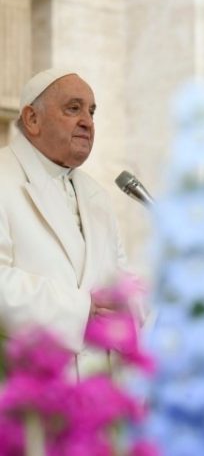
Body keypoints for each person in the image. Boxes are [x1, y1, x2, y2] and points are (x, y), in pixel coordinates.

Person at [0, 68, 132, 378]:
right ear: (32, 119)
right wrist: (81, 309)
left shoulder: (97, 195)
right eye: (73, 109)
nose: (87, 121)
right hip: (27, 387)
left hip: (97, 386)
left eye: (91, 112)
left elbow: (121, 280)